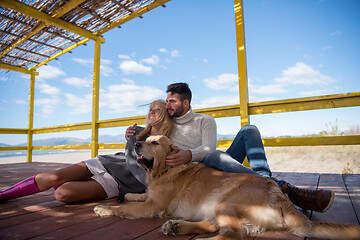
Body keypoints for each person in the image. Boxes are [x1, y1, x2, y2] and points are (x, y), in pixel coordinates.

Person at [160, 82, 334, 213]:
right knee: (215, 157)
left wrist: (189, 154)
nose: (167, 106)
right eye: (167, 101)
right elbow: (148, 135)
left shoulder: (205, 120)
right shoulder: (166, 124)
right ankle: (282, 189)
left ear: (186, 103)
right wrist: (132, 132)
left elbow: (208, 148)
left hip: (211, 163)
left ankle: (266, 180)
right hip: (195, 175)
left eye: (172, 102)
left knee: (247, 131)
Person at [0, 100, 173, 204]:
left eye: (157, 109)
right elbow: (130, 160)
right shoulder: (136, 131)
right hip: (107, 163)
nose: (151, 111)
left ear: (165, 114)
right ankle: (3, 195)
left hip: (120, 183)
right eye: (150, 108)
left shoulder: (167, 142)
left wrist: (148, 189)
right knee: (53, 177)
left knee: (62, 194)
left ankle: (71, 182)